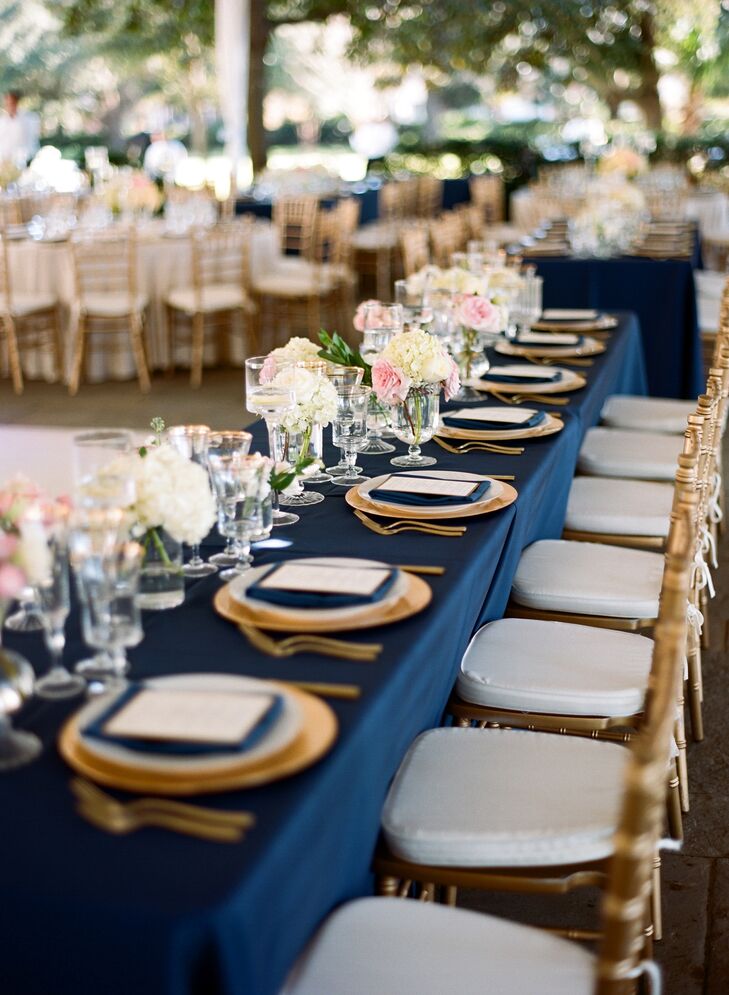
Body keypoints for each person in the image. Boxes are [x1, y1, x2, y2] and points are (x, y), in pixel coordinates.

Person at [0, 90, 40, 167]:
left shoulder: (27, 120)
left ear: (16, 102)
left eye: (11, 103)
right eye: (7, 103)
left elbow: (31, 141)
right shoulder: (2, 121)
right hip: (3, 161)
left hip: (22, 161)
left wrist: (28, 157)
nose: (9, 106)